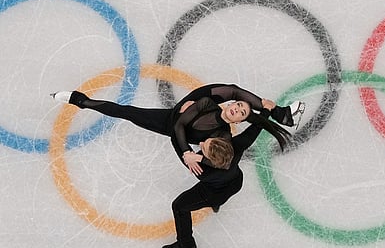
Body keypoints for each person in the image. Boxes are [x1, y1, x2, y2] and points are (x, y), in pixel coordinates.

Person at [51, 83, 304, 173]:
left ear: (238, 122)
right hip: (173, 119)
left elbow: (223, 156)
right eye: (237, 105)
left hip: (180, 137)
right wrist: (186, 152)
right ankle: (79, 100)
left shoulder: (223, 135)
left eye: (241, 112)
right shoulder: (207, 102)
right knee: (126, 111)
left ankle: (278, 114)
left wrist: (197, 156)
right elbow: (180, 125)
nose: (236, 108)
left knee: (251, 112)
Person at [161, 98, 279, 248]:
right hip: (236, 183)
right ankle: (217, 204)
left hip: (212, 192)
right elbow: (256, 128)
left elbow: (175, 136)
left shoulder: (203, 171)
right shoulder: (236, 146)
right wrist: (267, 110)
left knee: (179, 206)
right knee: (219, 197)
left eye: (204, 147)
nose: (202, 142)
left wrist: (190, 155)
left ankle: (186, 244)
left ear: (210, 159)